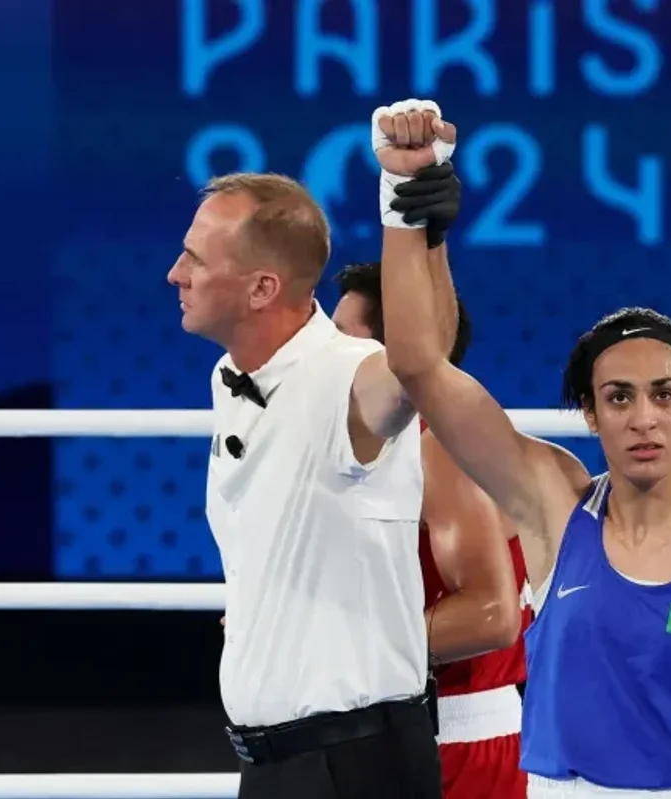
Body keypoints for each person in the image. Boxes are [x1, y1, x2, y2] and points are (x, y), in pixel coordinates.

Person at [371, 116, 671, 795]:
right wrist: (405, 197)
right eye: (619, 398)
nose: (644, 418)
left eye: (663, 394)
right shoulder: (553, 504)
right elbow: (421, 365)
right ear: (592, 413)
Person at [168, 98, 460, 799]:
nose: (175, 273)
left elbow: (424, 364)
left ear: (262, 287)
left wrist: (408, 208)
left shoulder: (347, 375)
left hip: (352, 766)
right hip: (281, 766)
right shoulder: (233, 373)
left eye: (194, 259)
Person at [333, 260, 532, 799]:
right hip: (396, 725)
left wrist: (323, 645)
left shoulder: (438, 449)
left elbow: (492, 616)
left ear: (392, 358)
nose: (320, 360)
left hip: (458, 744)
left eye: (339, 340)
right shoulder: (385, 450)